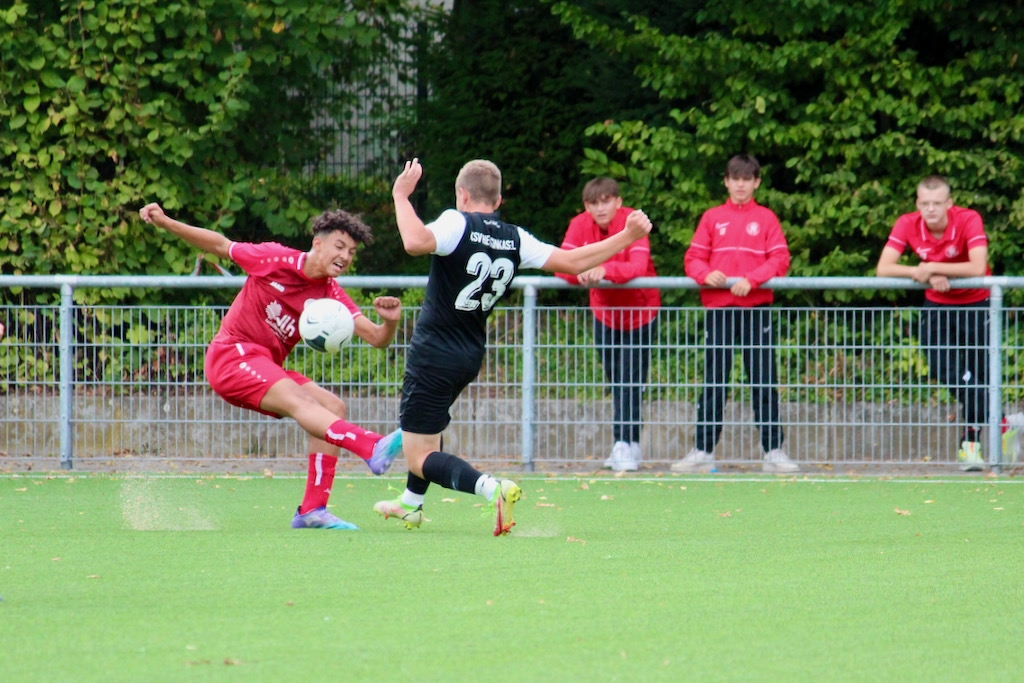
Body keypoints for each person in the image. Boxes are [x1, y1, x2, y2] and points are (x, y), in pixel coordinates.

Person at [374, 159, 653, 535]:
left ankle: (493, 488)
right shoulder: (515, 238)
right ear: (498, 199)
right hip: (469, 353)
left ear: (462, 195)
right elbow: (573, 262)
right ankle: (411, 503)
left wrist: (400, 195)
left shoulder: (457, 222)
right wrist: (627, 236)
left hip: (434, 351)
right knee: (427, 430)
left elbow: (414, 241)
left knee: (419, 455)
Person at [138, 203, 405, 528]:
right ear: (317, 243)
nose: (345, 256)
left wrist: (391, 322)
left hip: (264, 364)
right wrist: (167, 223)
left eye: (351, 252)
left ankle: (312, 511)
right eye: (339, 246)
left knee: (331, 406)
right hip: (231, 356)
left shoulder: (331, 294)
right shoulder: (275, 259)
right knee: (301, 401)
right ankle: (370, 446)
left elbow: (376, 337)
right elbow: (221, 245)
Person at [673, 154, 798, 474]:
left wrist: (751, 280)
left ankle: (773, 451)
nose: (741, 185)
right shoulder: (712, 217)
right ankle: (703, 451)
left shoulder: (767, 218)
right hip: (719, 309)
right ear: (726, 182)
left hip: (756, 309)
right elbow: (693, 259)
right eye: (735, 179)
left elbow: (780, 259)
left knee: (763, 379)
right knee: (714, 381)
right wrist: (706, 274)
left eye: (747, 179)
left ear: (756, 183)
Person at [875, 174, 991, 471]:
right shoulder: (907, 223)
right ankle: (999, 415)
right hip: (938, 304)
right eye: (925, 203)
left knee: (978, 373)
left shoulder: (968, 219)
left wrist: (935, 268)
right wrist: (921, 272)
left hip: (976, 303)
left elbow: (978, 266)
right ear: (917, 204)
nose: (931, 209)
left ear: (949, 204)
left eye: (937, 203)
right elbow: (884, 268)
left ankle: (970, 446)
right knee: (947, 369)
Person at [555, 177, 660, 472]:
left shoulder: (634, 222)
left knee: (631, 380)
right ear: (586, 206)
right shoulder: (579, 224)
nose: (600, 208)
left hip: (641, 313)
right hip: (605, 314)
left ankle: (624, 442)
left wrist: (604, 269)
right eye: (593, 203)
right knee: (617, 380)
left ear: (618, 201)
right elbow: (562, 264)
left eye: (606, 201)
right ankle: (628, 443)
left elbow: (637, 267)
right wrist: (580, 273)